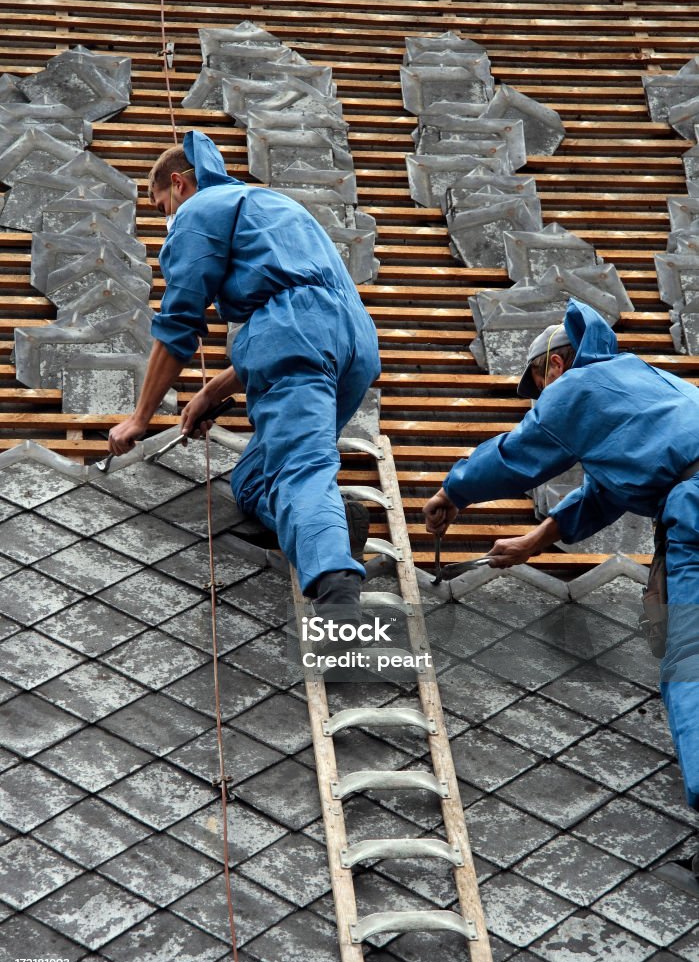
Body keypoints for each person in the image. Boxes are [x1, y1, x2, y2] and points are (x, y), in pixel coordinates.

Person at [423, 299, 699, 816]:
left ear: (554, 364)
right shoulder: (638, 378)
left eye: (537, 385)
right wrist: (535, 541)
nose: (540, 402)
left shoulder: (575, 385)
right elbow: (607, 490)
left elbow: (516, 454)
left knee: (692, 659)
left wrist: (453, 491)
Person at [109, 130, 380, 618]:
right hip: (354, 342)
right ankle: (331, 523)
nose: (164, 216)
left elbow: (178, 327)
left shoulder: (197, 212)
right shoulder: (270, 204)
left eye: (159, 204)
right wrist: (211, 390)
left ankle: (336, 587)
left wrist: (139, 419)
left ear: (179, 183)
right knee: (256, 479)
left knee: (300, 464)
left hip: (298, 334)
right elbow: (304, 317)